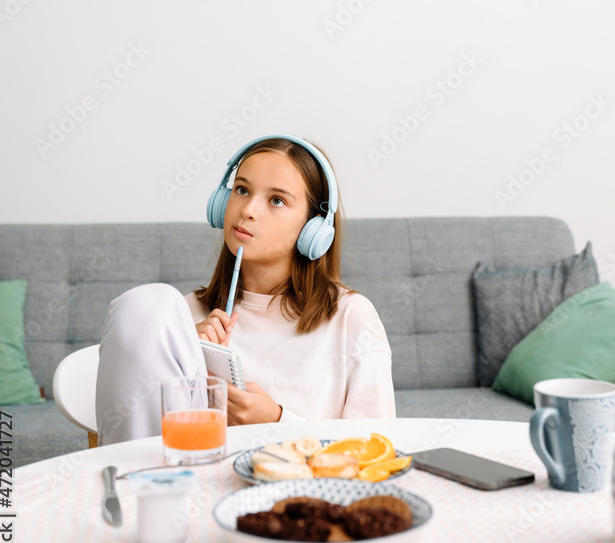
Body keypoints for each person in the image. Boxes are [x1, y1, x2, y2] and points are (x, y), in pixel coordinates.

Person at [95, 136, 395, 445]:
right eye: (242, 190)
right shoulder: (177, 318)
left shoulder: (352, 318)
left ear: (313, 228)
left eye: (276, 200)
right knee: (147, 303)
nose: (248, 209)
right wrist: (178, 359)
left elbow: (375, 449)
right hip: (193, 478)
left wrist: (278, 421)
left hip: (304, 486)